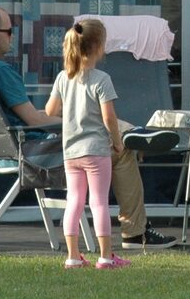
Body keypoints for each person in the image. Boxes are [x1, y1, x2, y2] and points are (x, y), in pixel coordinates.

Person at [0, 5, 179, 250]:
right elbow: (36, 121)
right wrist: (77, 119)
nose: (12, 36)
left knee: (100, 131)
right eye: (9, 31)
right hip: (38, 150)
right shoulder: (2, 71)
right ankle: (135, 231)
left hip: (9, 146)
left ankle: (133, 134)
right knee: (122, 151)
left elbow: (39, 113)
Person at [44, 19, 127, 269]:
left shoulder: (63, 77)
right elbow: (109, 117)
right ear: (99, 46)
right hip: (96, 151)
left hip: (71, 152)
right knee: (99, 201)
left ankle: (72, 256)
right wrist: (118, 141)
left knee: (74, 200)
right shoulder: (102, 79)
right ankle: (105, 256)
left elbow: (50, 110)